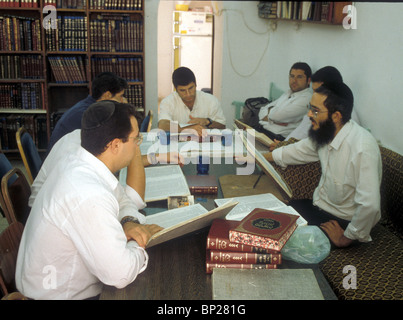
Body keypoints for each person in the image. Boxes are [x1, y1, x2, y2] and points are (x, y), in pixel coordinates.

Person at [16, 101, 163, 300]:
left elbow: (123, 200)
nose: (138, 145)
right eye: (136, 139)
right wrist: (139, 242)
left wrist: (129, 222)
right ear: (115, 145)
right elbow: (120, 274)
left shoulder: (81, 161)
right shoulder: (88, 192)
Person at [264, 82, 382, 247]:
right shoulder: (326, 133)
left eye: (315, 110)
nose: (309, 115)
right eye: (310, 108)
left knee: (281, 244)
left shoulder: (362, 147)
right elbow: (296, 151)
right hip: (317, 209)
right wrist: (258, 157)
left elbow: (370, 205)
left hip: (342, 222)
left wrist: (346, 238)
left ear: (336, 116)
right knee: (267, 219)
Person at [47, 72, 129, 154]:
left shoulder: (89, 106)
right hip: (63, 162)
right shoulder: (87, 114)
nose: (122, 100)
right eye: (120, 96)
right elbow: (108, 143)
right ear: (107, 95)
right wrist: (123, 111)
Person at [269, 66, 344, 150]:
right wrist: (285, 144)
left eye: (318, 91)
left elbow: (310, 149)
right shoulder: (317, 108)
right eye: (314, 91)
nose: (314, 95)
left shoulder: (336, 114)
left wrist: (283, 149)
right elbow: (303, 133)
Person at [158, 67, 226, 136]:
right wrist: (187, 129)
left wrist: (208, 121)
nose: (188, 94)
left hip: (205, 143)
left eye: (191, 88)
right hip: (179, 144)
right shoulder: (168, 102)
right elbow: (162, 125)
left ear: (196, 85)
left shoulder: (211, 100)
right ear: (176, 89)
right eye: (182, 90)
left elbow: (222, 126)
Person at [257, 62, 312, 141]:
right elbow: (262, 111)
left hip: (276, 139)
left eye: (299, 77)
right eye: (292, 76)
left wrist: (271, 114)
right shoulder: (288, 93)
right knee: (236, 139)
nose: (294, 80)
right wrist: (274, 119)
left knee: (240, 147)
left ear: (308, 80)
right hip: (262, 131)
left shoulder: (306, 99)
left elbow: (276, 116)